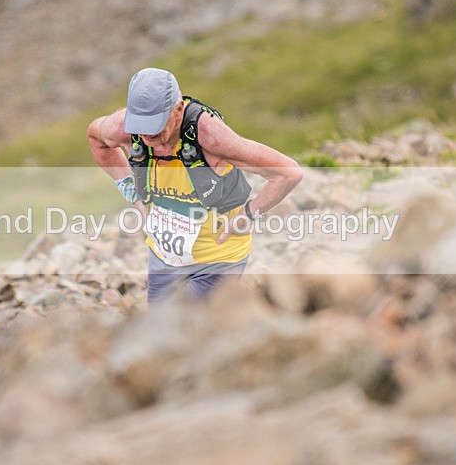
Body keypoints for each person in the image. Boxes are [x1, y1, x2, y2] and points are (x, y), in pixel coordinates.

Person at [87, 67, 303, 302]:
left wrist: (248, 215)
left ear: (178, 109)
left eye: (155, 123)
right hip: (164, 256)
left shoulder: (212, 137)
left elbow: (288, 173)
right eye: (140, 123)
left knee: (185, 327)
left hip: (217, 256)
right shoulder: (123, 127)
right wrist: (132, 191)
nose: (146, 135)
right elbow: (96, 138)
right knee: (158, 328)